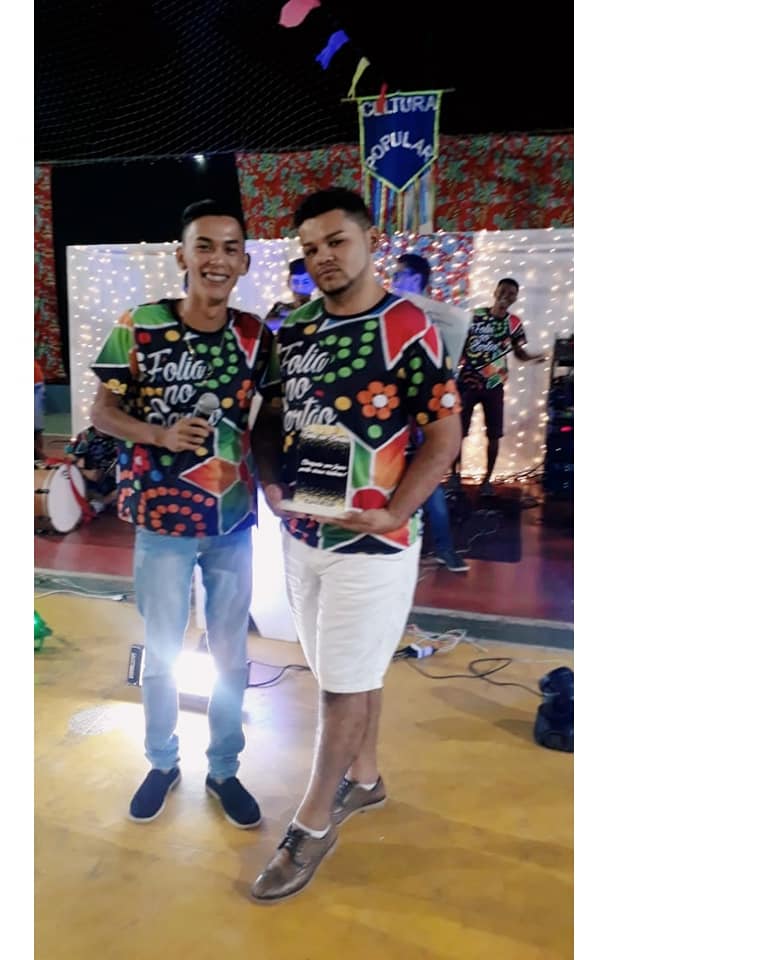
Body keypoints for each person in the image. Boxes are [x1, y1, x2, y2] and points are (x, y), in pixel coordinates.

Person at [250, 188, 462, 903]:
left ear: (370, 240)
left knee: (341, 686)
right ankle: (364, 780)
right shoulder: (297, 328)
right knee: (343, 670)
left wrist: (397, 510)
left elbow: (445, 434)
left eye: (335, 241)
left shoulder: (408, 326)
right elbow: (273, 415)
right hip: (304, 531)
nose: (324, 257)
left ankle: (311, 825)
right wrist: (272, 480)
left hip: (374, 543)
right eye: (310, 248)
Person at [89, 198, 273, 830]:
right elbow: (101, 413)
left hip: (231, 522)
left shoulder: (256, 336)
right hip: (160, 520)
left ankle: (224, 768)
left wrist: (282, 486)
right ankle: (162, 761)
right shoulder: (138, 324)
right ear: (182, 256)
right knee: (164, 651)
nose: (217, 259)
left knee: (230, 655)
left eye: (230, 248)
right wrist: (159, 435)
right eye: (204, 245)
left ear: (244, 262)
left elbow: (271, 420)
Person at [390, 253, 469, 573]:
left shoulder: (438, 318)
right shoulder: (389, 312)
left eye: (399, 274)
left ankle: (444, 548)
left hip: (423, 417)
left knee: (428, 481)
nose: (394, 280)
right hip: (389, 413)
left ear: (415, 278)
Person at [457, 278, 547, 496]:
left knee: (494, 434)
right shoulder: (475, 315)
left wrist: (535, 357)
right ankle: (453, 476)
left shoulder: (513, 323)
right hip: (467, 381)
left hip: (494, 385)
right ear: (495, 291)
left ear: (516, 298)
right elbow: (459, 342)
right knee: (458, 432)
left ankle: (487, 481)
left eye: (512, 293)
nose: (507, 295)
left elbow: (519, 353)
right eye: (504, 290)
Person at [263, 257, 316, 329]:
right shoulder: (280, 308)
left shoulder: (318, 308)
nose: (300, 287)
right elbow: (266, 325)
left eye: (306, 282)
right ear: (289, 282)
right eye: (296, 282)